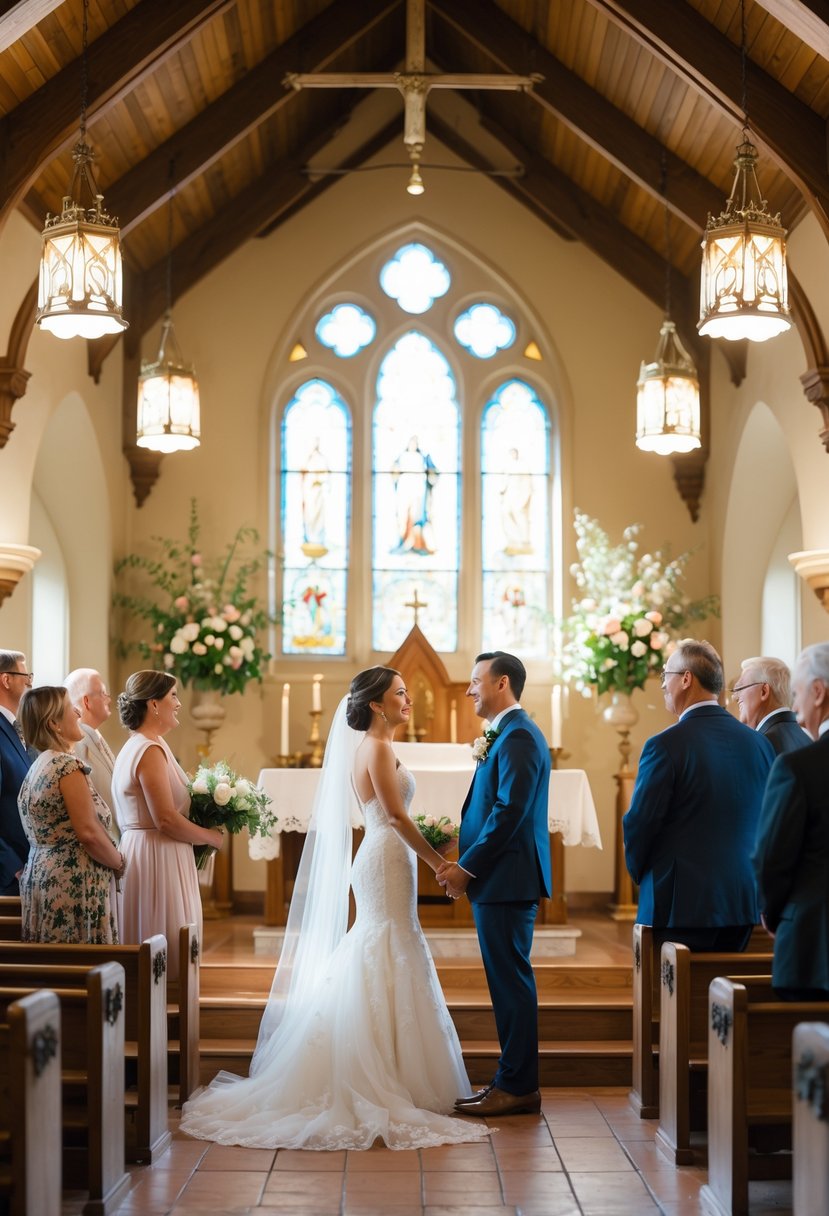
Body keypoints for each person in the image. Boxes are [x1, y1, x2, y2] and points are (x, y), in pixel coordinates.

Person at [180, 666, 489, 1150]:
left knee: (387, 945)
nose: (410, 700)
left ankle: (396, 1067)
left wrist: (432, 848)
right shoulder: (378, 747)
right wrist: (439, 864)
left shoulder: (376, 747)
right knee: (383, 944)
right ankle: (377, 1071)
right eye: (401, 693)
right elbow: (392, 814)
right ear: (376, 704)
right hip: (387, 858)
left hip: (389, 856)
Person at [438, 650, 551, 1117]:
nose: (468, 690)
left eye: (475, 681)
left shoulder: (519, 735)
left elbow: (510, 811)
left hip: (507, 878)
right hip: (502, 878)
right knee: (507, 981)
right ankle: (511, 1080)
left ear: (501, 683)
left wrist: (468, 867)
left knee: (511, 983)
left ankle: (518, 1085)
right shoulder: (508, 733)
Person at [623, 638, 775, 953]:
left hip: (682, 902)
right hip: (742, 900)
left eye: (666, 675)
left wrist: (642, 875)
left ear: (686, 678)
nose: (663, 684)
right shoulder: (758, 744)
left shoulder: (665, 745)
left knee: (674, 999)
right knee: (721, 998)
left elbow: (641, 822)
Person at [112, 671, 222, 980]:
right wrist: (211, 837)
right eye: (172, 695)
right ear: (153, 704)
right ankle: (165, 1016)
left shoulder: (146, 743)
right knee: (164, 941)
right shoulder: (148, 750)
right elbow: (165, 819)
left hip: (151, 851)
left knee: (168, 940)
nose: (178, 703)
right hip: (156, 858)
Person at [17, 686, 123, 943]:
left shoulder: (39, 765)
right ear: (54, 723)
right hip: (73, 884)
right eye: (70, 708)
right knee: (84, 968)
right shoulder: (66, 766)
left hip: (43, 877)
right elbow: (88, 833)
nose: (78, 711)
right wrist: (119, 863)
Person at [753, 642, 829, 1000]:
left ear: (818, 692)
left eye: (796, 694)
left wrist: (772, 911)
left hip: (813, 947)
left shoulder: (799, 768)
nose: (796, 712)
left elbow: (773, 856)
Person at [64, 668, 120, 837]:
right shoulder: (76, 745)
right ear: (86, 701)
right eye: (103, 693)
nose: (109, 699)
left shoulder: (95, 736)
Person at [0, 650, 36, 895]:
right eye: (26, 676)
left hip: (29, 866)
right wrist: (12, 867)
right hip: (10, 876)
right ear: (6, 680)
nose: (31, 683)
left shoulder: (20, 729)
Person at [731, 655, 810, 755]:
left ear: (764, 691)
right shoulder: (808, 738)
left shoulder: (757, 745)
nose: (735, 697)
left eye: (740, 688)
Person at [391, 435, 439, 555]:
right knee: (404, 516)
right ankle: (404, 541)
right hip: (405, 490)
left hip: (417, 491)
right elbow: (394, 473)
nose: (413, 445)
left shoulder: (422, 457)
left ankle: (417, 543)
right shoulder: (402, 457)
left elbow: (432, 473)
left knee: (417, 517)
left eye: (415, 443)